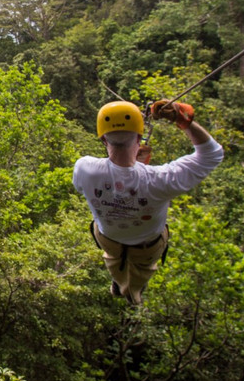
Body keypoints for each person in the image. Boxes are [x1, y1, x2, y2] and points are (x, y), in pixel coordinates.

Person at [72, 99, 223, 305]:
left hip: (109, 238)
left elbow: (113, 179)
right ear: (139, 138)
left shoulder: (84, 169)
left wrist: (130, 169)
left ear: (104, 140)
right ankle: (133, 290)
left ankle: (120, 283)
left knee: (113, 260)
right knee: (142, 270)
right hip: (147, 245)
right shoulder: (160, 180)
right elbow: (212, 155)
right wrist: (184, 122)